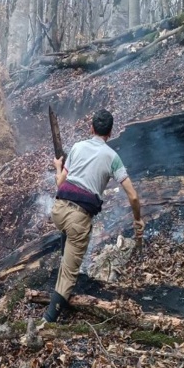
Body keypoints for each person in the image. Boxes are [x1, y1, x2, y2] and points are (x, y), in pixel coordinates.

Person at [43, 109, 144, 322]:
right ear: (110, 133)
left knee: (68, 236)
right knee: (69, 274)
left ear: (91, 128)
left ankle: (66, 260)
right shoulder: (112, 157)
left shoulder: (77, 147)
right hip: (78, 218)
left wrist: (58, 167)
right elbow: (133, 196)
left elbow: (60, 183)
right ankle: (47, 321)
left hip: (58, 211)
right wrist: (137, 220)